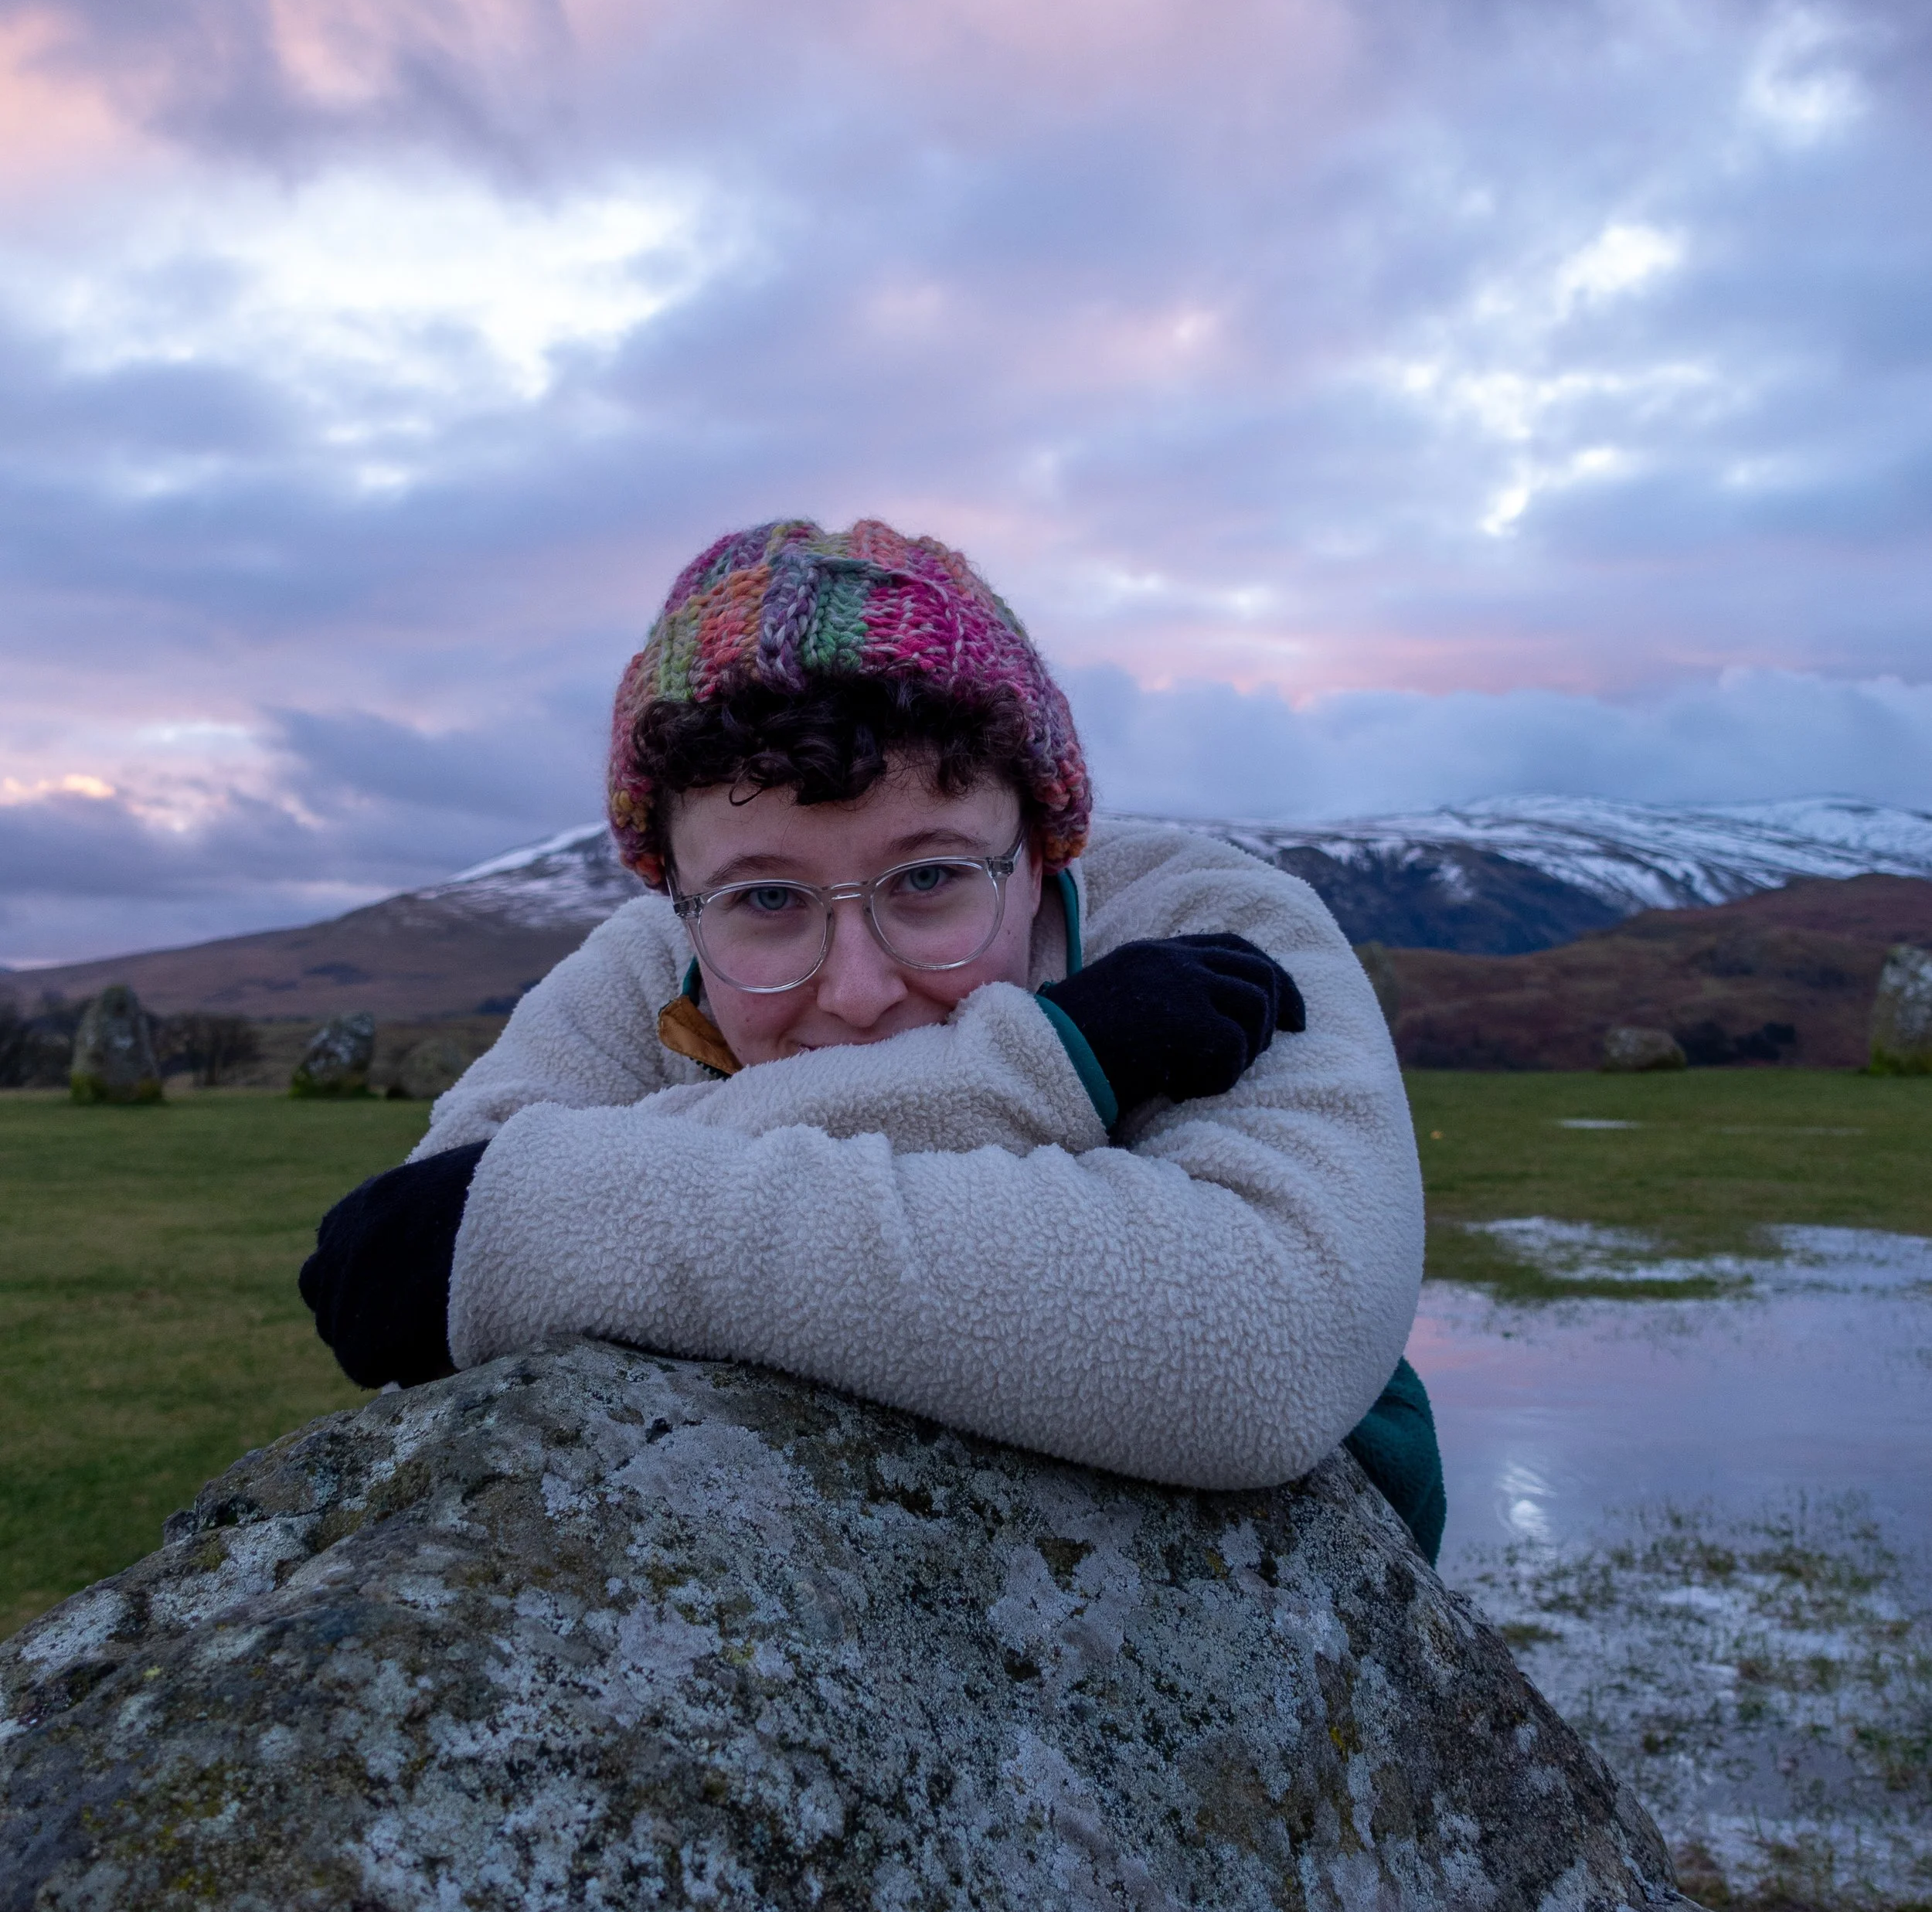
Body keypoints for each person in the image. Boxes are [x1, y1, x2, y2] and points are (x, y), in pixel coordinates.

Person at [300, 517, 1444, 1556]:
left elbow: (1262, 1346)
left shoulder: (1217, 922)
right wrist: (1038, 1064)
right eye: (764, 899)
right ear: (678, 891)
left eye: (931, 878)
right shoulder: (655, 955)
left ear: (1044, 852)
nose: (853, 990)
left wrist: (577, 1210)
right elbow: (416, 1248)